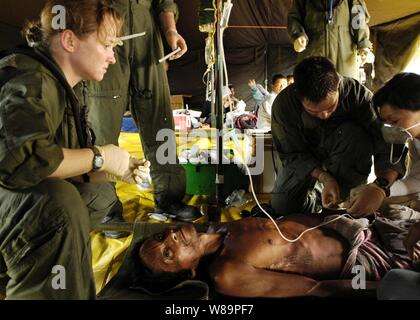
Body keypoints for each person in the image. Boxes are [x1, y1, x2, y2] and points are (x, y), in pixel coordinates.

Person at [0, 0, 150, 299]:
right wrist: (100, 157)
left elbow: (58, 163)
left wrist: (112, 171)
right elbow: (23, 161)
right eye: (107, 45)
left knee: (89, 195)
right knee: (57, 207)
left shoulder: (60, 87)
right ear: (69, 40)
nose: (112, 56)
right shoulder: (31, 79)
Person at [85, 0, 200, 223]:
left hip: (147, 36)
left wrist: (171, 30)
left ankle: (170, 198)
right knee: (101, 126)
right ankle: (105, 209)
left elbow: (164, 2)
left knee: (161, 123)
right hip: (104, 31)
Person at [137, 214, 419, 298]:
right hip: (366, 262)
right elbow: (316, 288)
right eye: (167, 253)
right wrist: (376, 288)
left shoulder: (222, 225)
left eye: (160, 236)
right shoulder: (227, 272)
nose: (171, 238)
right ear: (189, 273)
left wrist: (347, 219)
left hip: (364, 228)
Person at [270, 56, 404, 217]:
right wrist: (325, 178)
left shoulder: (359, 96)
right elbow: (291, 153)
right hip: (305, 158)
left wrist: (380, 187)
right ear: (298, 96)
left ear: (338, 86)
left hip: (345, 155)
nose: (324, 115)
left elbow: (389, 145)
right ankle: (318, 196)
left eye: (331, 107)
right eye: (314, 112)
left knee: (346, 210)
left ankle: (343, 196)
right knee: (283, 208)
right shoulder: (284, 105)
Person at [372, 73, 420, 299]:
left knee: (392, 283)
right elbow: (417, 179)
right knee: (385, 206)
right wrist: (379, 190)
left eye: (396, 120)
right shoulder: (416, 139)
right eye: (386, 122)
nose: (390, 127)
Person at [288, 0, 372, 79]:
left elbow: (358, 17)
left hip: (344, 54)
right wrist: (298, 35)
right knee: (311, 88)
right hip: (312, 51)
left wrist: (363, 43)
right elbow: (294, 17)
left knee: (345, 88)